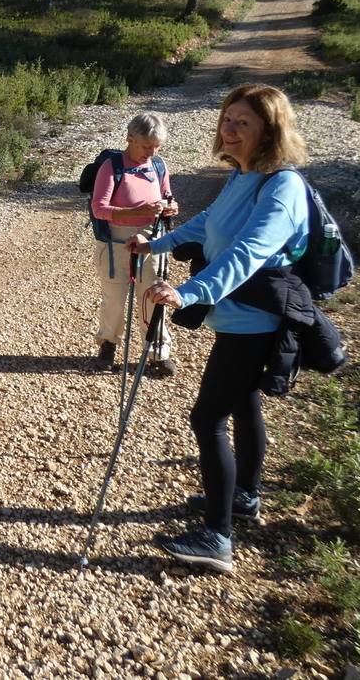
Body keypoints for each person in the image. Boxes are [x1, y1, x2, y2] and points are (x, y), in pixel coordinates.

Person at [128, 83, 310, 573]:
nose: (228, 129)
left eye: (242, 122)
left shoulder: (284, 187)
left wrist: (186, 293)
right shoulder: (244, 176)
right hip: (237, 317)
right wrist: (157, 246)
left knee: (207, 418)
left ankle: (218, 536)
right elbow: (209, 223)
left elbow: (246, 254)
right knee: (244, 404)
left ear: (268, 130)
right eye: (227, 119)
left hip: (256, 320)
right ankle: (244, 498)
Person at [90, 113, 178, 375]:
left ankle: (158, 353)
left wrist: (170, 208)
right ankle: (107, 346)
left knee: (153, 297)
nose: (151, 153)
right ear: (130, 138)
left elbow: (167, 197)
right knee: (114, 300)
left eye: (156, 147)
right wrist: (138, 210)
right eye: (146, 146)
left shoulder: (158, 166)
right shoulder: (111, 166)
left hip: (152, 243)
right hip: (117, 244)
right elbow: (99, 209)